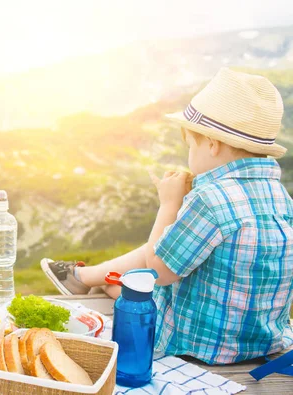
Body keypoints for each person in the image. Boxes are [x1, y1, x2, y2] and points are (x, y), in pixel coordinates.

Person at [42, 68, 293, 365]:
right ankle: (84, 277)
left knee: (124, 287)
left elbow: (159, 270)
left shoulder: (210, 199)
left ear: (212, 144)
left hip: (202, 342)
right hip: (262, 340)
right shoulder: (281, 198)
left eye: (190, 145)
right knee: (169, 244)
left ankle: (94, 279)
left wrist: (169, 205)